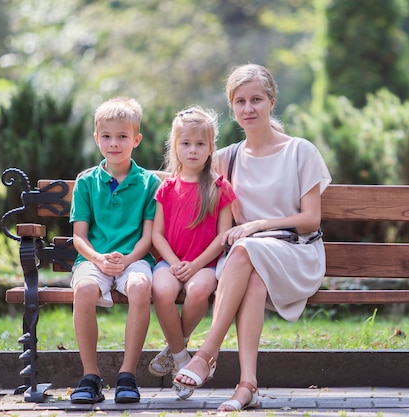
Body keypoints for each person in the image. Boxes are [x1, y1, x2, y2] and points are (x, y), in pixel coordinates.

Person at [173, 64, 331, 411]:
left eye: (256, 99)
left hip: (297, 253)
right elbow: (181, 181)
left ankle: (205, 354)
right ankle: (247, 386)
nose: (248, 109)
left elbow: (310, 220)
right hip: (247, 264)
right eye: (240, 101)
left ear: (272, 101)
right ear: (233, 107)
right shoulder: (227, 158)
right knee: (253, 274)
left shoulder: (300, 151)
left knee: (245, 249)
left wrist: (258, 226)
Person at [69, 97, 162, 404]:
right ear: (97, 139)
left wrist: (129, 260)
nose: (114, 143)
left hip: (134, 258)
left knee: (140, 287)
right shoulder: (86, 182)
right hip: (94, 259)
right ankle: (90, 377)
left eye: (122, 136)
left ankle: (127, 375)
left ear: (136, 139)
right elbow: (79, 237)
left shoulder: (149, 183)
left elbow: (149, 236)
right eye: (107, 137)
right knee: (83, 290)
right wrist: (97, 259)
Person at [148, 106, 236, 399]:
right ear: (175, 146)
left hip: (206, 264)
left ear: (211, 147)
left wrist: (196, 264)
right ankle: (183, 358)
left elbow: (223, 235)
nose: (193, 150)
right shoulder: (166, 188)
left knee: (199, 291)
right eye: (186, 143)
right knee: (161, 291)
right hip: (169, 262)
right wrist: (174, 263)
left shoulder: (219, 187)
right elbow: (156, 235)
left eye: (200, 144)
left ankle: (174, 347)